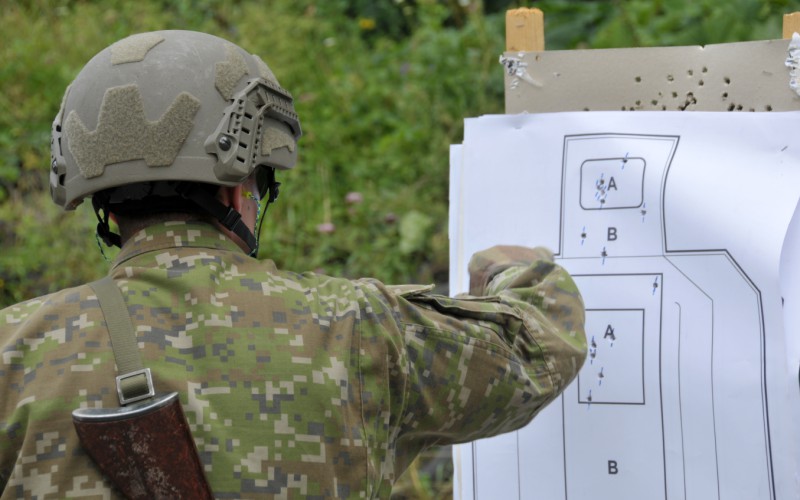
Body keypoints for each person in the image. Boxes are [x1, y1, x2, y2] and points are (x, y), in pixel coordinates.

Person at [0, 30, 586, 499]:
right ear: (241, 191)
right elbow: (539, 351)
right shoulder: (358, 326)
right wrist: (518, 272)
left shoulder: (13, 348)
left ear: (98, 199)